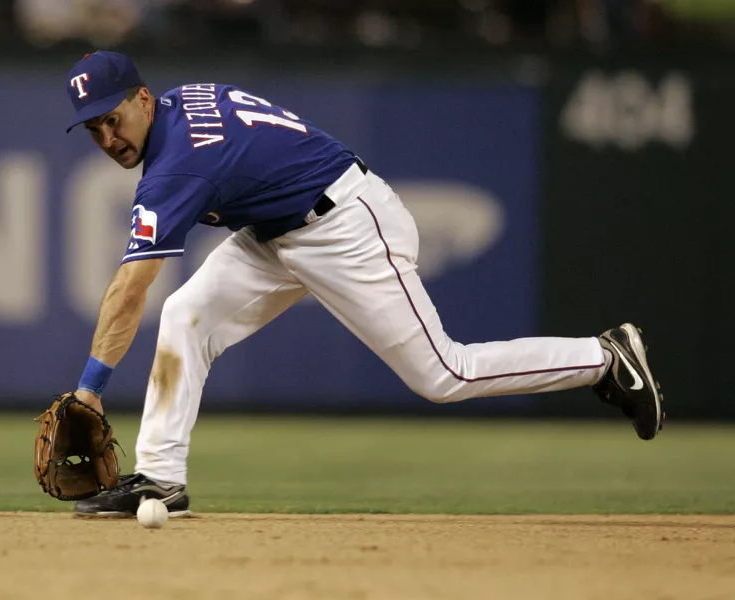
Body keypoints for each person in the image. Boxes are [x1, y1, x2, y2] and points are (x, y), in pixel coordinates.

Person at [65, 51, 664, 517]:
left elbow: (129, 288)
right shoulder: (179, 102)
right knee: (186, 315)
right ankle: (162, 478)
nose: (108, 139)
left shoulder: (177, 163)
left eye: (112, 120)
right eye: (93, 130)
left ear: (143, 99)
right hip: (277, 228)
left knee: (444, 374)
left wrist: (90, 389)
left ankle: (603, 358)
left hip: (347, 224)